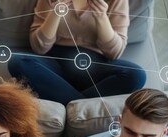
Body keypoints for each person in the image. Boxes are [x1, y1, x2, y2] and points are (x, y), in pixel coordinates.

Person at [8, 0, 146, 106]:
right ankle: (80, 106)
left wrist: (101, 18)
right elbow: (39, 47)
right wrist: (55, 14)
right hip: (56, 66)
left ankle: (68, 102)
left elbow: (114, 53)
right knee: (17, 61)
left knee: (136, 74)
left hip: (94, 68)